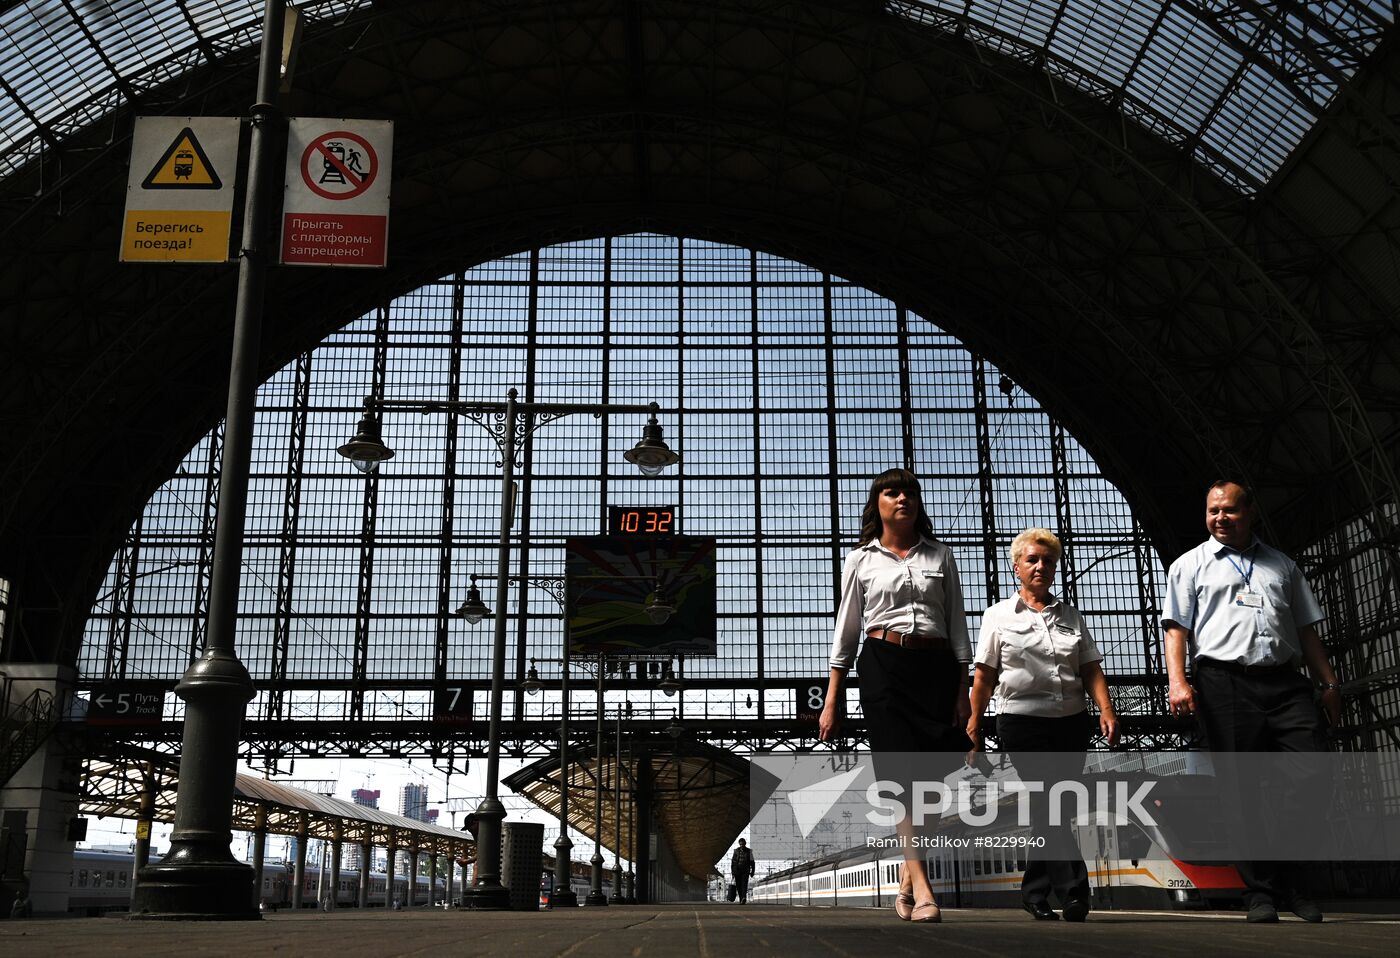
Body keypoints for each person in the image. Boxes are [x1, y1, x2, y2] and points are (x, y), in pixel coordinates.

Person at [1163, 479, 1342, 924]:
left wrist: (1329, 683)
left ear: (1250, 513)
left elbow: (1306, 631)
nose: (1220, 518)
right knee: (1240, 790)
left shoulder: (1282, 566)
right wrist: (1178, 681)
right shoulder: (1190, 566)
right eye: (1212, 511)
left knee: (1313, 775)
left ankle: (1292, 881)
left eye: (1229, 510)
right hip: (1224, 682)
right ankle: (1261, 892)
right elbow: (1176, 630)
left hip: (1285, 682)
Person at [819, 468, 973, 924]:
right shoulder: (861, 561)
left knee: (930, 785)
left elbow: (959, 625)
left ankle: (907, 881)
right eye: (892, 492)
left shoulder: (941, 557)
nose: (902, 498)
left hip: (936, 669)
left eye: (909, 492)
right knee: (902, 777)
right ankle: (925, 888)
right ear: (878, 504)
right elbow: (845, 632)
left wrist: (963, 691)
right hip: (883, 665)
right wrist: (833, 699)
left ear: (918, 503)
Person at [966, 527, 1119, 922]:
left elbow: (1090, 669)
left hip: (1070, 722)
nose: (1041, 566)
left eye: (1048, 561)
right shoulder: (998, 616)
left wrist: (1106, 709)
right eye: (1032, 559)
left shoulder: (1070, 615)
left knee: (1054, 804)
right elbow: (983, 676)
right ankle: (1073, 893)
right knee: (1052, 798)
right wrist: (974, 723)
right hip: (1021, 722)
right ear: (1016, 567)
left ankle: (1034, 890)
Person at [730, 838, 756, 903]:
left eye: (743, 844)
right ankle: (741, 898)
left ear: (745, 844)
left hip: (745, 870)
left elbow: (752, 862)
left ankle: (744, 897)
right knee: (738, 886)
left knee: (744, 885)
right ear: (739, 844)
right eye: (741, 844)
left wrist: (752, 871)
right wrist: (733, 872)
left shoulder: (749, 851)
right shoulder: (736, 851)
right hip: (737, 870)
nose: (742, 845)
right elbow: (733, 862)